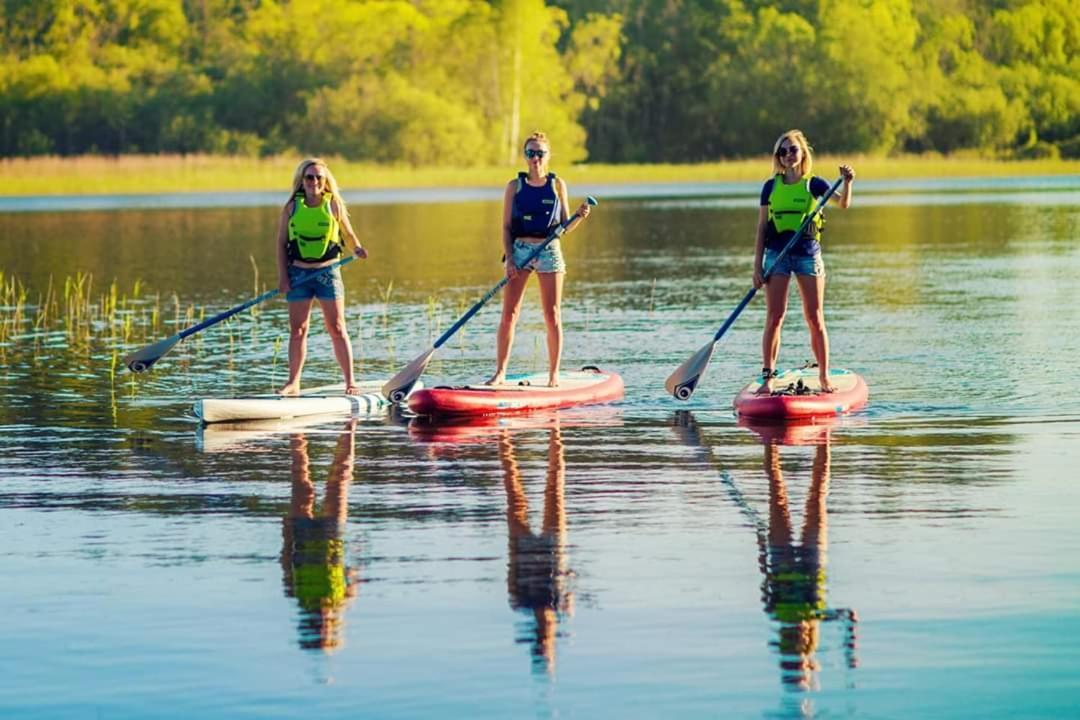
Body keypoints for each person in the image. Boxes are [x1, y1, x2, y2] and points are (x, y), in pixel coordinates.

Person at [753, 130, 855, 394]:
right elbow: (762, 229)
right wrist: (757, 267)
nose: (788, 155)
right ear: (778, 157)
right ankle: (767, 377)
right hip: (776, 257)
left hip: (808, 255)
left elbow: (842, 204)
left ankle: (823, 376)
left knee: (815, 317)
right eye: (782, 151)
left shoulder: (815, 184)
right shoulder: (770, 187)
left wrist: (847, 183)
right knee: (775, 317)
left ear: (802, 153)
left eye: (793, 150)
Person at [487, 131, 592, 387]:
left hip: (549, 250)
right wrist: (510, 259)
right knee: (509, 314)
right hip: (520, 250)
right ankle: (500, 373)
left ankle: (553, 376)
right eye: (530, 153)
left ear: (548, 156)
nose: (535, 158)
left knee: (552, 315)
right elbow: (505, 228)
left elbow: (565, 227)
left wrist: (579, 216)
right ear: (525, 157)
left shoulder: (557, 185)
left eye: (539, 153)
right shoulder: (514, 186)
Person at [276, 158, 367, 396]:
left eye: (319, 177)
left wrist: (356, 248)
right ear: (302, 181)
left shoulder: (333, 205)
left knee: (337, 327)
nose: (314, 181)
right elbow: (281, 243)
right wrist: (283, 277)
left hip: (328, 273)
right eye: (309, 177)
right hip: (298, 273)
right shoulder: (291, 207)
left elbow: (347, 234)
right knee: (298, 330)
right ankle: (293, 383)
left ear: (325, 182)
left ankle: (350, 382)